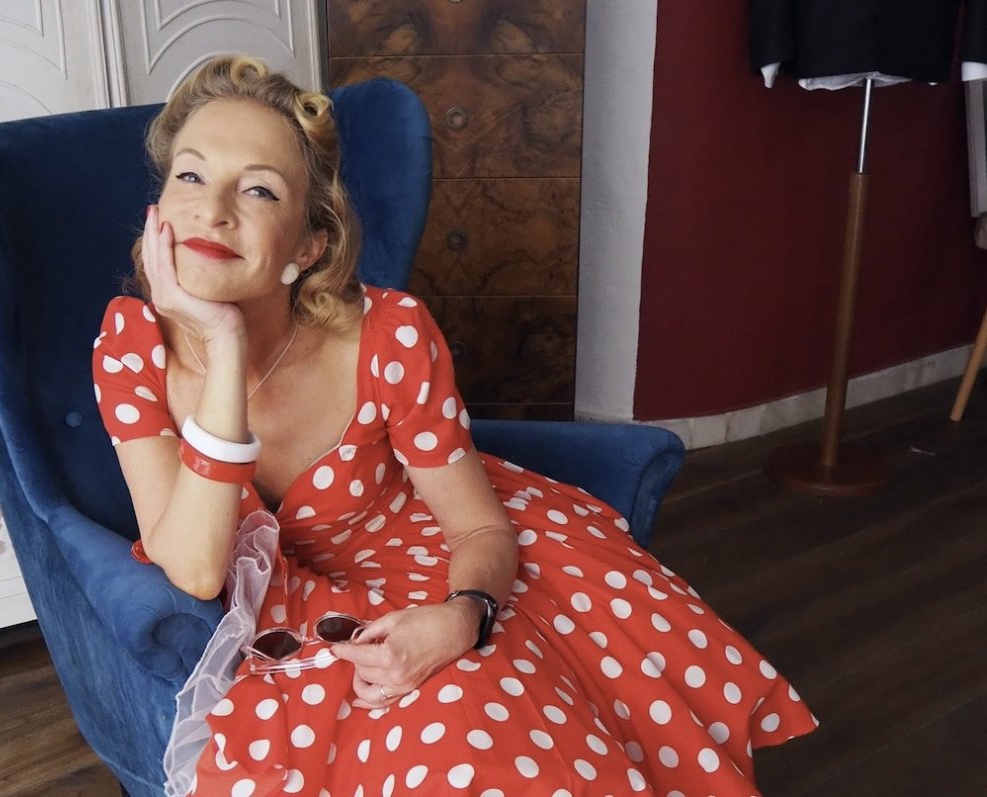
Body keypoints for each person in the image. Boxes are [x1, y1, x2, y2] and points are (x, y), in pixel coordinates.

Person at [93, 54, 817, 796]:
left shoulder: (390, 336)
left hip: (432, 565)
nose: (212, 210)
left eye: (258, 189)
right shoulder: (130, 345)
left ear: (308, 246)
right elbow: (196, 569)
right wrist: (225, 346)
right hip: (290, 614)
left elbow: (478, 529)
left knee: (488, 740)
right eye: (190, 175)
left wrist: (461, 616)